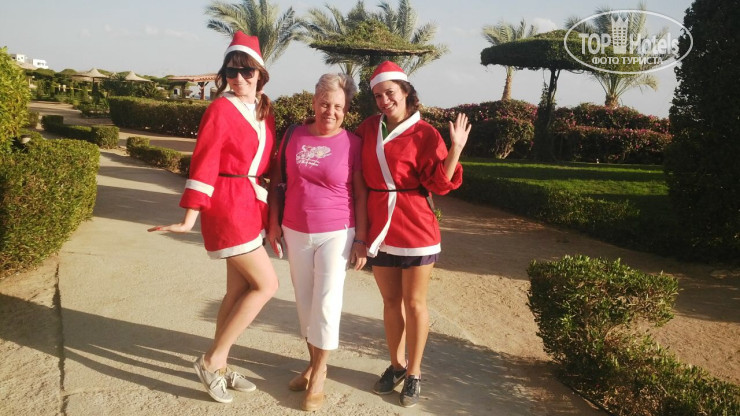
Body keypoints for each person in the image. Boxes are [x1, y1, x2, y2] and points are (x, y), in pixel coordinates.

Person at [148, 31, 278, 404]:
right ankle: (211, 361)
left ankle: (220, 366)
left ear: (260, 74)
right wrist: (190, 218)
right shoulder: (220, 109)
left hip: (250, 204)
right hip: (227, 205)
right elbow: (204, 162)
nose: (238, 78)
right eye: (231, 71)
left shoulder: (264, 110)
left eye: (246, 71)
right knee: (266, 286)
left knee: (237, 291)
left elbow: (268, 163)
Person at [354, 61, 470, 408]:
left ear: (406, 92)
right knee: (390, 302)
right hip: (380, 224)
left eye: (390, 93)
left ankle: (415, 373)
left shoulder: (426, 133)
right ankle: (396, 365)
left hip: (416, 226)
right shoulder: (368, 128)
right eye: (378, 95)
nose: (384, 100)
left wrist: (455, 149)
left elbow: (440, 184)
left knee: (414, 303)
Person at [267, 73, 368, 412]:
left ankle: (320, 373)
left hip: (337, 231)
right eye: (325, 104)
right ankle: (313, 364)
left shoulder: (352, 143)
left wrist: (362, 238)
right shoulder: (294, 134)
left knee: (326, 302)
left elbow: (360, 193)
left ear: (346, 109)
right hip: (295, 228)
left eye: (338, 106)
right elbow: (277, 180)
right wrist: (273, 223)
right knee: (305, 303)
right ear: (314, 101)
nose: (330, 111)